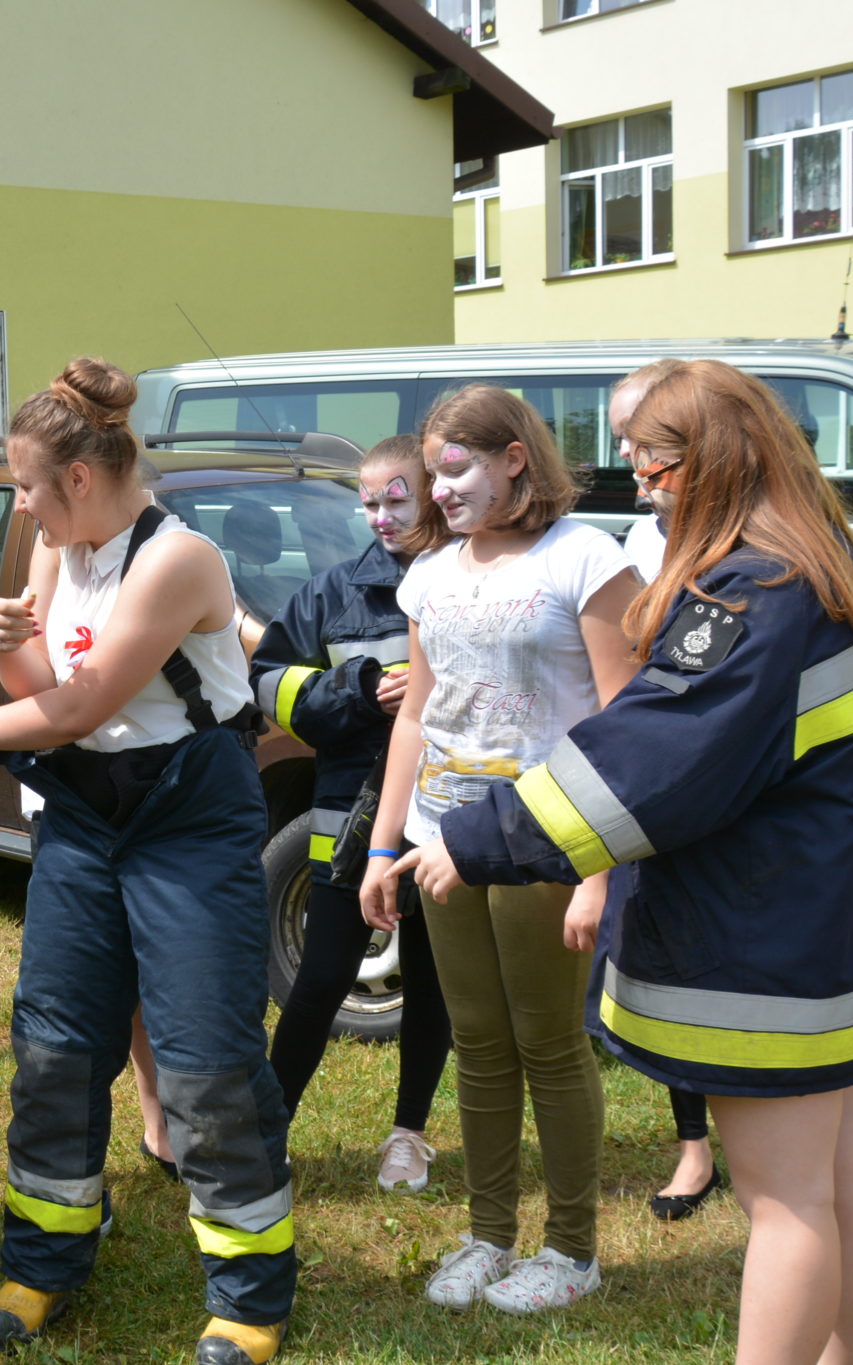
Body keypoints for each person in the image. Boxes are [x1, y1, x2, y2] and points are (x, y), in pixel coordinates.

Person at [395, 360, 853, 1362]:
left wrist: (473, 842)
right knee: (848, 1174)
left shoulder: (752, 596)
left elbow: (648, 761)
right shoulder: (831, 564)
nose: (642, 488)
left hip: (772, 946)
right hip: (851, 927)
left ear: (717, 461)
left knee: (784, 1206)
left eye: (654, 465)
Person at [0, 359, 294, 1365]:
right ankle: (42, 1263)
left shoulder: (177, 559)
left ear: (80, 479)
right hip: (85, 818)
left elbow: (85, 704)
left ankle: (249, 1296)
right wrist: (5, 644)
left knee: (205, 1061)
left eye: (26, 487)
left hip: (190, 819)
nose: (20, 506)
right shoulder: (61, 549)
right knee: (54, 1048)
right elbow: (47, 686)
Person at [357, 385, 640, 1315]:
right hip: (442, 842)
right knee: (478, 1042)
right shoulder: (429, 575)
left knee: (549, 1042)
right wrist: (383, 848)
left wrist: (598, 867)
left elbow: (621, 723)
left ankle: (572, 1249)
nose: (439, 491)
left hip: (547, 840)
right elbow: (417, 718)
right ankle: (488, 1235)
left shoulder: (586, 558)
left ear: (516, 458)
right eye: (433, 474)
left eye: (456, 469)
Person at [249, 434, 453, 1194]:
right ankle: (267, 1132)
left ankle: (409, 1137)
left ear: (433, 492)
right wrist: (358, 689)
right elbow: (267, 682)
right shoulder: (332, 594)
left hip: (447, 819)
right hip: (349, 821)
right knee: (321, 976)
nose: (380, 516)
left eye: (396, 498)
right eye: (368, 502)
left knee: (432, 981)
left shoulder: (471, 581)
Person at [611, 360, 727, 1221]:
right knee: (676, 955)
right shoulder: (640, 537)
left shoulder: (742, 548)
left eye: (639, 440)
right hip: (664, 773)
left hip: (718, 774)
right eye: (622, 440)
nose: (628, 458)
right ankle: (696, 1147)